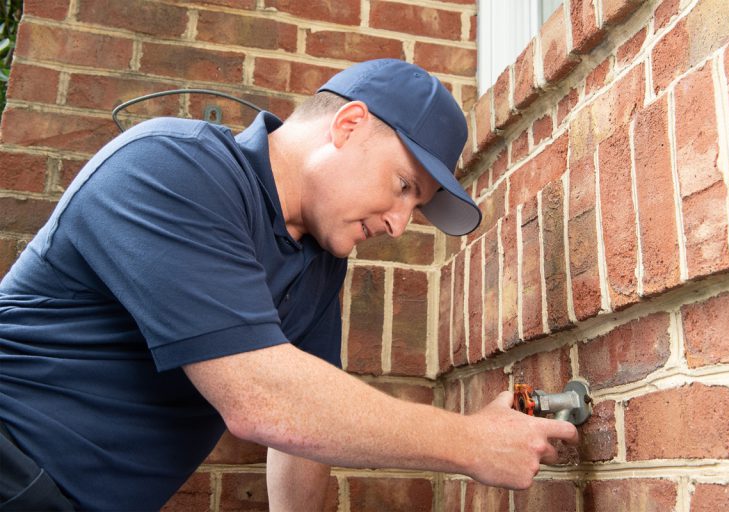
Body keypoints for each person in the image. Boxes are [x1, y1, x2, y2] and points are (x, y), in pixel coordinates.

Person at [0, 59, 578, 510]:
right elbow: (264, 397)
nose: (400, 224)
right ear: (348, 125)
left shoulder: (318, 259)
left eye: (418, 207)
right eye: (404, 186)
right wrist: (472, 443)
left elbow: (301, 423)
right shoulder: (172, 168)